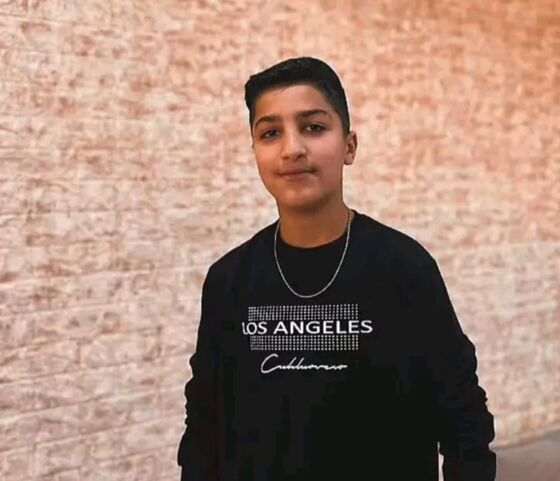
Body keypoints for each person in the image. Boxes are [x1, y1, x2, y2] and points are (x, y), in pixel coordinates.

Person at [177, 56, 496, 481]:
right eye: (270, 133)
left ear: (349, 146)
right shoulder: (229, 281)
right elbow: (204, 431)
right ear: (255, 152)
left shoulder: (403, 269)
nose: (292, 148)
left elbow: (465, 425)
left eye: (313, 127)